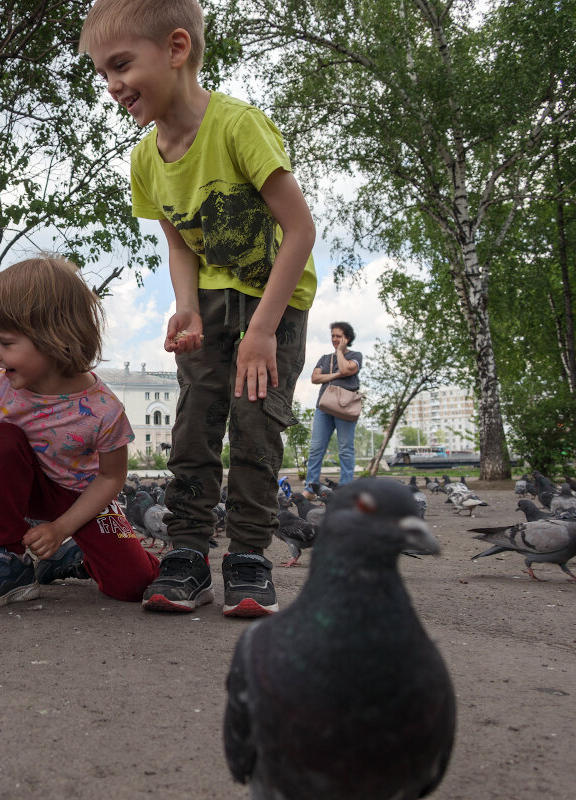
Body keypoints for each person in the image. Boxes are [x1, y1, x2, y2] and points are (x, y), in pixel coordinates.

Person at [81, 0, 317, 618]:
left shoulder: (238, 127)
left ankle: (247, 557)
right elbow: (179, 241)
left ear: (177, 49)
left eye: (122, 65)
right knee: (193, 426)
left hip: (273, 302)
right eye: (102, 73)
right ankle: (185, 554)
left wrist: (263, 329)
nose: (112, 85)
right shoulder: (143, 159)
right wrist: (185, 307)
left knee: (256, 426)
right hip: (210, 302)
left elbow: (299, 230)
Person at [0, 256, 160, 607]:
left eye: (5, 342)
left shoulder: (104, 410)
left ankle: (69, 556)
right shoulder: (0, 387)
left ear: (54, 337)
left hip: (82, 497)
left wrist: (62, 528)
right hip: (25, 485)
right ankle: (7, 558)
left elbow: (111, 479)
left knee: (135, 585)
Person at [303, 322, 362, 499]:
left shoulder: (356, 355)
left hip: (345, 407)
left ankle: (345, 489)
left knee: (345, 448)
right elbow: (314, 378)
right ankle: (311, 488)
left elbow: (346, 368)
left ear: (347, 338)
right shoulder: (324, 358)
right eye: (333, 336)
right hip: (324, 406)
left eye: (338, 336)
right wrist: (337, 375)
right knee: (316, 447)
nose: (335, 339)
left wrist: (339, 353)